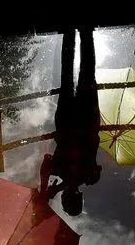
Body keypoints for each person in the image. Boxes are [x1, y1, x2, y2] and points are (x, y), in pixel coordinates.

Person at [39, 27, 102, 216]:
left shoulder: (89, 177)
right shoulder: (88, 177)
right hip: (78, 121)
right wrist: (49, 188)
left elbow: (47, 162)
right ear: (66, 198)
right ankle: (75, 32)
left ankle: (81, 32)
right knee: (74, 73)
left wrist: (48, 187)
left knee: (81, 73)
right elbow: (47, 163)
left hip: (81, 120)